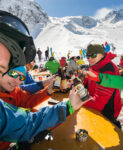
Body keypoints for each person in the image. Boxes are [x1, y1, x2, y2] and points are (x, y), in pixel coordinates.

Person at [0, 10, 85, 149]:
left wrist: (48, 91)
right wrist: (68, 106)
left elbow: (28, 101)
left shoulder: (13, 91)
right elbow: (28, 123)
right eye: (13, 74)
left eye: (22, 77)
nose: (17, 81)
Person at [83, 44, 122, 128]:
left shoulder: (108, 70)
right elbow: (85, 83)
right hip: (93, 104)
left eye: (93, 55)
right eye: (87, 56)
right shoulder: (94, 65)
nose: (90, 59)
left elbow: (99, 103)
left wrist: (79, 100)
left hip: (107, 111)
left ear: (102, 54)